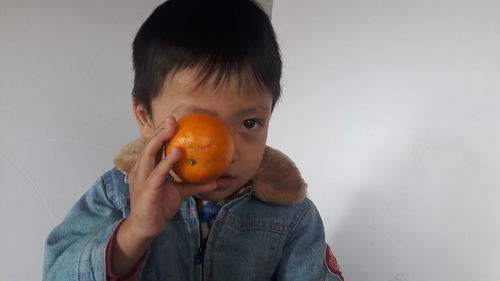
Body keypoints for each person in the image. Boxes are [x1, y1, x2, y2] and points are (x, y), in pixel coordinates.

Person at [43, 0, 344, 280]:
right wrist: (135, 232)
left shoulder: (292, 213)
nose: (229, 153)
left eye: (250, 123)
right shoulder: (116, 196)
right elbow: (57, 272)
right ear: (146, 118)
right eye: (200, 126)